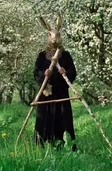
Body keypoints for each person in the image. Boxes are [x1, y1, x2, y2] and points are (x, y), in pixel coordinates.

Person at [33, 16, 77, 151]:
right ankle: (40, 146)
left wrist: (65, 73)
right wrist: (43, 75)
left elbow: (73, 71)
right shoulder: (42, 55)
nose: (54, 39)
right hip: (46, 94)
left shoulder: (66, 55)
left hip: (61, 93)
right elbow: (36, 71)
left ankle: (65, 145)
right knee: (43, 119)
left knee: (62, 118)